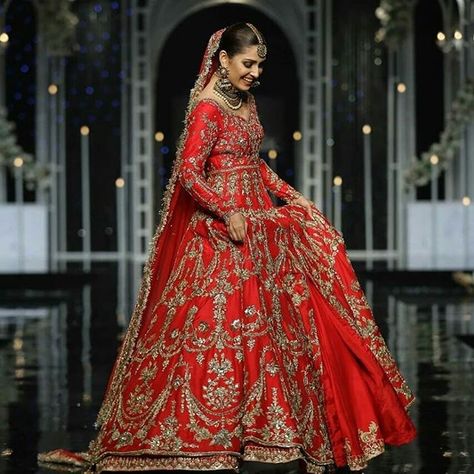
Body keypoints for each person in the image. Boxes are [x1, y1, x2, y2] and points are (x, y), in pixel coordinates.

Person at [39, 22, 416, 474]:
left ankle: (274, 431)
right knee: (219, 329)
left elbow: (255, 166)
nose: (255, 72)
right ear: (224, 60)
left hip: (257, 225)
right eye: (248, 63)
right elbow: (188, 173)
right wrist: (225, 209)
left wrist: (292, 196)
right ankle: (212, 433)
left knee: (275, 327)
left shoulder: (249, 103)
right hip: (218, 230)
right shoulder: (207, 109)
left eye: (260, 65)